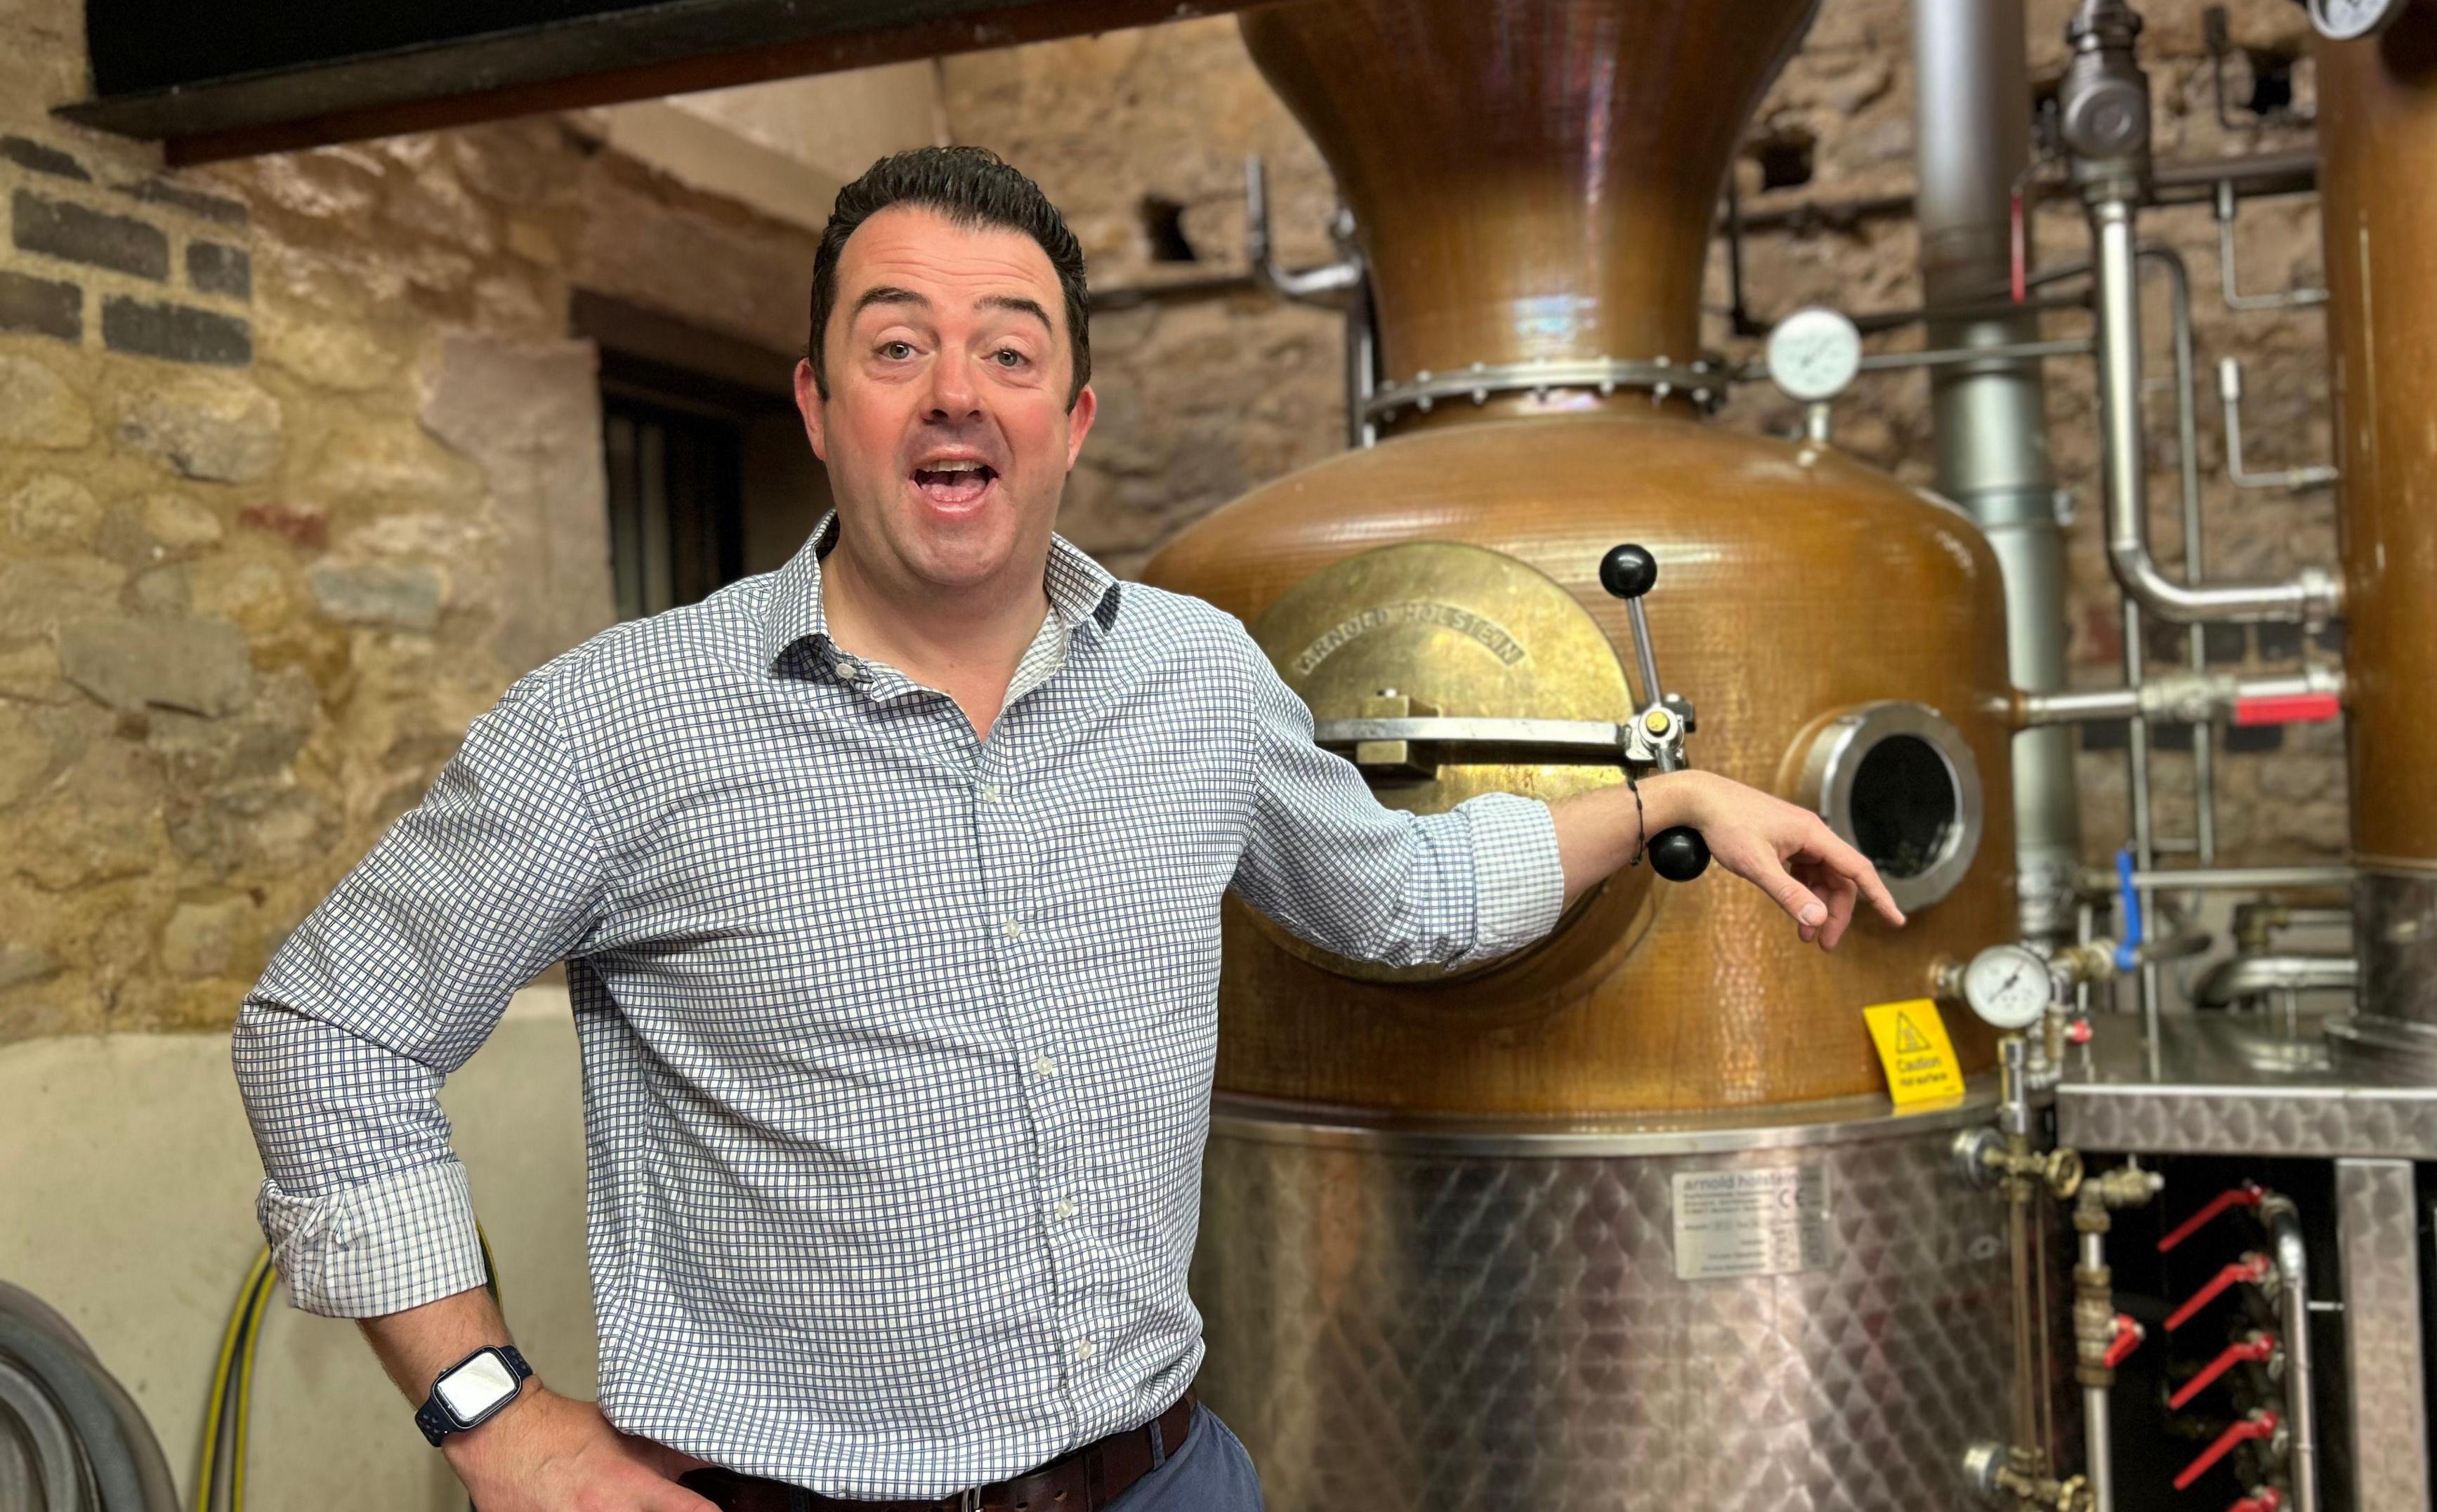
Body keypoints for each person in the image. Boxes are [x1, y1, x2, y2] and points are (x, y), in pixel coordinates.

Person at [231, 146, 1903, 1512]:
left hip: (1164, 1477)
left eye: (1011, 351)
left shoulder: (1191, 675)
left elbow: (1399, 891)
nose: (957, 393)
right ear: (819, 403)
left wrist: (1668, 800)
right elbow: (333, 1026)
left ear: (1072, 418)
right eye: (898, 348)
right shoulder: (624, 720)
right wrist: (497, 1419)